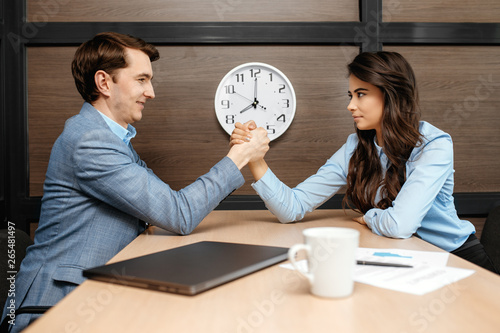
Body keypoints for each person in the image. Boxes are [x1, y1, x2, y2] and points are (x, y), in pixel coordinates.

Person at [1, 32, 269, 332]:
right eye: (142, 79)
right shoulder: (90, 142)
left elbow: (163, 203)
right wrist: (241, 155)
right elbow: (179, 214)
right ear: (104, 83)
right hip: (54, 309)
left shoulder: (114, 139)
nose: (151, 92)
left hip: (93, 295)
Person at [231, 51, 498, 273]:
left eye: (361, 94)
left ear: (390, 95)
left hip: (456, 260)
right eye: (350, 95)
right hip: (404, 259)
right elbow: (292, 208)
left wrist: (369, 217)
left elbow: (401, 225)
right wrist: (256, 159)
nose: (350, 105)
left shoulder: (433, 145)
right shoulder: (355, 147)